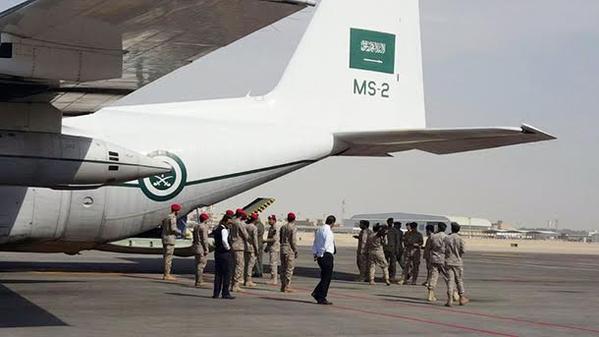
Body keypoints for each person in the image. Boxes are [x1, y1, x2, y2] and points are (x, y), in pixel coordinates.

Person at [311, 215, 336, 305]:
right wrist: (320, 254)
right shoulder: (328, 231)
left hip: (320, 255)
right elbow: (326, 244)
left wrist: (315, 254)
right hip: (326, 255)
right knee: (327, 278)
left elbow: (315, 243)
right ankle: (321, 296)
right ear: (333, 223)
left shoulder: (319, 230)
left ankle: (317, 293)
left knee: (324, 277)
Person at [444, 222, 469, 306]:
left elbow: (444, 249)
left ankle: (450, 299)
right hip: (457, 262)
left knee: (450, 281)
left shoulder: (447, 238)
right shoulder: (460, 239)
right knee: (459, 280)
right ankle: (461, 297)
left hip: (448, 261)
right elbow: (464, 250)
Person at [212, 212, 235, 299]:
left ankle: (216, 293)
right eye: (229, 223)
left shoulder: (217, 228)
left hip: (218, 252)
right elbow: (224, 241)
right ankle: (225, 293)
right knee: (226, 273)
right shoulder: (224, 230)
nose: (230, 225)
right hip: (224, 253)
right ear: (226, 221)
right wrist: (228, 248)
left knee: (218, 274)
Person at [427, 222, 449, 302]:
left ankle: (430, 294)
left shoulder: (433, 237)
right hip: (443, 258)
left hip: (434, 258)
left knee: (433, 276)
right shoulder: (446, 237)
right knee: (447, 277)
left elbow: (429, 247)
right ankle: (453, 293)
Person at [229, 208, 249, 292]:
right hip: (239, 246)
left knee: (234, 265)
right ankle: (235, 285)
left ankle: (233, 283)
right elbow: (245, 235)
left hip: (233, 245)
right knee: (239, 265)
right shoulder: (239, 223)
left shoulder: (232, 222)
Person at [161, 203, 182, 281]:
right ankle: (167, 274)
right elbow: (173, 229)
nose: (179, 212)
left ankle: (166, 273)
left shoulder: (166, 217)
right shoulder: (173, 218)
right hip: (170, 239)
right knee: (168, 258)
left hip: (165, 238)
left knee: (165, 257)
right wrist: (180, 232)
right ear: (176, 210)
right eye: (178, 210)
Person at [279, 212, 298, 292]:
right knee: (289, 268)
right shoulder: (293, 228)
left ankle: (283, 285)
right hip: (289, 249)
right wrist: (295, 250)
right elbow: (292, 240)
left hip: (283, 248)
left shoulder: (283, 227)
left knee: (283, 267)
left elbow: (280, 238)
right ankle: (287, 286)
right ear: (294, 219)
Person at [191, 212, 210, 287]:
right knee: (201, 265)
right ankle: (199, 281)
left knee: (197, 264)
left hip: (196, 247)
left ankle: (198, 280)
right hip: (201, 247)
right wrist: (206, 249)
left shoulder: (196, 226)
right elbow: (204, 239)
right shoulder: (204, 227)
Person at [244, 213, 260, 288]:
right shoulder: (254, 228)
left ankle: (245, 279)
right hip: (251, 248)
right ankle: (248, 280)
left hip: (245, 247)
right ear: (255, 219)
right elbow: (255, 240)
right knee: (250, 265)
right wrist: (257, 249)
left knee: (246, 264)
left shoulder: (245, 226)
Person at [384, 218, 401, 283]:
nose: (390, 223)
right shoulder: (385, 229)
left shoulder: (395, 230)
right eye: (389, 222)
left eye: (391, 222)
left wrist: (397, 249)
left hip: (392, 249)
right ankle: (386, 275)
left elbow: (397, 240)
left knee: (393, 263)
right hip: (386, 248)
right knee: (385, 263)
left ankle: (392, 276)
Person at [264, 215, 280, 285]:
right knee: (272, 263)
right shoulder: (271, 228)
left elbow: (274, 239)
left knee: (273, 264)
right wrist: (267, 247)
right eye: (269, 219)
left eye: (270, 219)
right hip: (271, 247)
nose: (269, 221)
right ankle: (272, 278)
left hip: (274, 248)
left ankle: (274, 279)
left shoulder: (275, 228)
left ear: (274, 220)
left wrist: (265, 241)